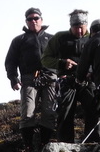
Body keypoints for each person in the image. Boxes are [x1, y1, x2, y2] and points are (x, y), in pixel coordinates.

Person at [40, 9, 95, 143]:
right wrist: (61, 63)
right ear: (71, 26)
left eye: (82, 28)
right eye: (76, 28)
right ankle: (66, 144)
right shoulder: (60, 38)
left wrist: (93, 71)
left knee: (94, 109)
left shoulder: (93, 38)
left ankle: (93, 142)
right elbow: (45, 59)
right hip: (67, 80)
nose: (79, 31)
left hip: (88, 81)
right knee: (65, 112)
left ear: (86, 25)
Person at [4, 7, 53, 152]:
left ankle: (45, 144)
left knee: (49, 112)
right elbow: (10, 61)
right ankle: (28, 146)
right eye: (30, 19)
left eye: (36, 18)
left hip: (50, 78)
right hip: (28, 78)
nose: (33, 21)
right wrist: (13, 78)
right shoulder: (19, 40)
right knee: (27, 113)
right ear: (26, 21)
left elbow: (61, 57)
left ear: (41, 20)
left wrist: (62, 73)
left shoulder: (52, 39)